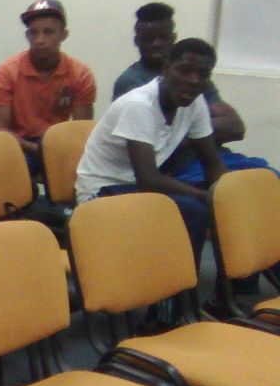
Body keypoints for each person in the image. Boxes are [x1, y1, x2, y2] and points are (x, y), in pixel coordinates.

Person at [76, 38, 228, 321]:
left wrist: (223, 195)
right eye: (185, 70)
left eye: (203, 74)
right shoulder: (139, 105)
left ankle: (218, 296)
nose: (194, 80)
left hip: (136, 187)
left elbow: (212, 162)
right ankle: (166, 312)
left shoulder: (194, 103)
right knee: (192, 210)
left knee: (219, 202)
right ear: (166, 67)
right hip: (101, 192)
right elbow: (149, 180)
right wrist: (206, 197)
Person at [113, 2, 271, 186]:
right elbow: (151, 147)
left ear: (173, 38)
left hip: (215, 158)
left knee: (269, 180)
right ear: (137, 41)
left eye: (163, 37)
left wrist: (187, 131)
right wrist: (195, 131)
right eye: (148, 39)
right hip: (178, 169)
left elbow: (234, 127)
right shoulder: (132, 84)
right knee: (238, 192)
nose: (156, 44)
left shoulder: (195, 75)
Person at [0, 0, 96, 173]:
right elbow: (0, 130)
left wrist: (57, 149)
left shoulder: (80, 74)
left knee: (87, 168)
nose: (39, 40)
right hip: (19, 145)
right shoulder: (6, 72)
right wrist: (38, 149)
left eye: (48, 32)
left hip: (59, 143)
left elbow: (81, 129)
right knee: (10, 169)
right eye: (33, 33)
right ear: (27, 36)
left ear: (64, 35)